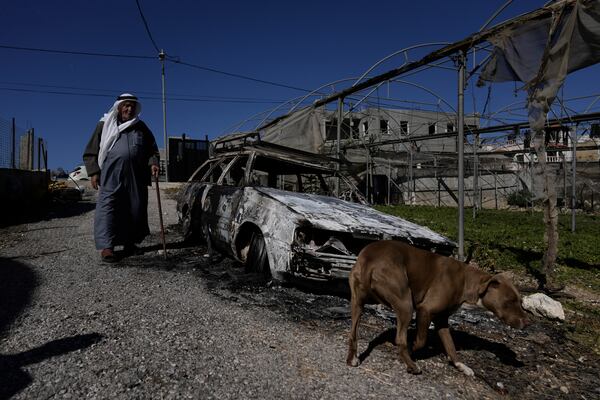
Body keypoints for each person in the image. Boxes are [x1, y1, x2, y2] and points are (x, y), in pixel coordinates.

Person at [83, 93, 160, 262]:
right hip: (111, 172)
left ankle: (130, 244)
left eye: (132, 106)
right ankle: (107, 247)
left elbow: (152, 149)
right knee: (108, 207)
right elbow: (91, 150)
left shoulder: (141, 127)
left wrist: (153, 162)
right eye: (126, 105)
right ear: (118, 107)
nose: (129, 108)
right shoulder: (105, 124)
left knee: (135, 207)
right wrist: (94, 172)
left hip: (136, 174)